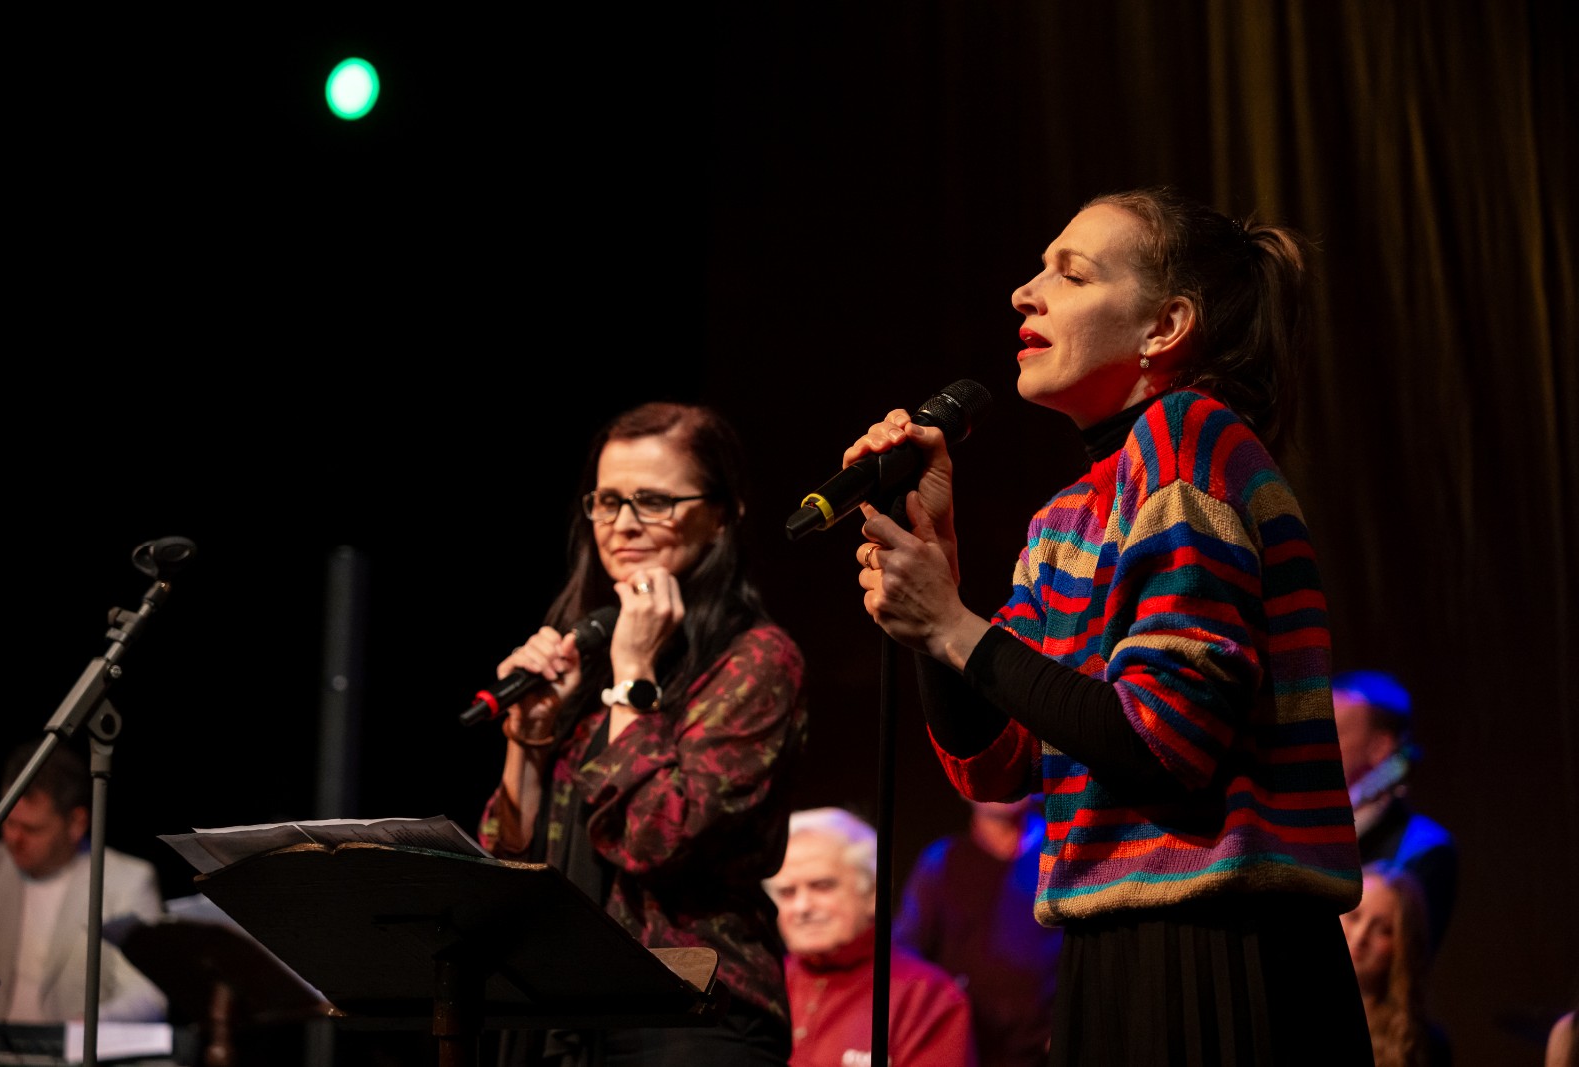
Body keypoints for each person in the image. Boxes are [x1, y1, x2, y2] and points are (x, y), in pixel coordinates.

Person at [838, 185, 1372, 1064]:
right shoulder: (1068, 515)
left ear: (1165, 327)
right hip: (1111, 947)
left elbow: (1165, 739)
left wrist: (954, 625)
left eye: (1071, 273)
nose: (1025, 293)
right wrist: (936, 586)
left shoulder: (1190, 438)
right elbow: (995, 761)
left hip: (1217, 949)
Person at [475, 400, 809, 1066]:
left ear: (723, 514)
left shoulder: (757, 660)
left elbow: (657, 840)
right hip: (557, 1012)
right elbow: (506, 864)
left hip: (688, 1017)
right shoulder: (589, 654)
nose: (623, 524)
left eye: (654, 501)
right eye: (607, 501)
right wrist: (528, 741)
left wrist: (634, 680)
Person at [764, 806, 977, 1067]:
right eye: (787, 893)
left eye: (822, 886)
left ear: (873, 893)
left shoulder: (927, 998)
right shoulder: (759, 984)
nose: (802, 907)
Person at [0, 741, 166, 1024]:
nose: (14, 838)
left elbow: (149, 994)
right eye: (9, 822)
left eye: (32, 829)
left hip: (71, 1046)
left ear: (76, 823)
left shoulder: (127, 881)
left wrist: (85, 1027)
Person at [893, 796, 1062, 1067]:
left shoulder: (1063, 856)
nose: (1001, 785)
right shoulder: (941, 861)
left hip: (1047, 1054)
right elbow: (906, 952)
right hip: (967, 1050)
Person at [1332, 670, 1458, 953]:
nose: (1315, 746)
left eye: (1332, 734)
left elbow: (1404, 962)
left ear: (1380, 748)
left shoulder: (1423, 850)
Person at [1342, 861, 1453, 1067]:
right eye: (1353, 916)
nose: (1360, 936)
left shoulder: (1422, 1044)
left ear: (1404, 948)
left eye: (1384, 930)